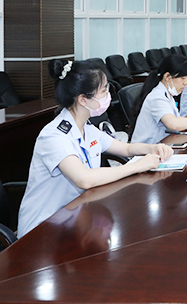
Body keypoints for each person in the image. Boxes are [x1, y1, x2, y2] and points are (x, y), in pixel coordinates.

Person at [17, 59, 174, 237]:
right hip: (42, 228)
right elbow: (84, 179)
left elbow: (125, 149)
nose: (109, 95)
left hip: (74, 217)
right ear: (83, 99)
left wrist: (153, 148)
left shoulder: (87, 127)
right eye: (104, 90)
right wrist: (135, 166)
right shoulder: (54, 136)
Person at [131, 54, 187, 144]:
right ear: (168, 77)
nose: (186, 83)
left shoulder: (167, 94)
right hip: (146, 150)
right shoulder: (157, 98)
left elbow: (173, 121)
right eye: (183, 78)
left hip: (161, 145)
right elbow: (173, 125)